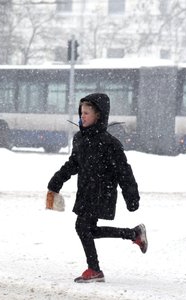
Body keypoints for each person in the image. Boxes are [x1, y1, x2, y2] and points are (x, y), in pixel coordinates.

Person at [47, 93, 147, 283]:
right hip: (86, 191)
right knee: (88, 229)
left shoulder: (109, 143)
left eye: (86, 113)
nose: (82, 116)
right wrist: (56, 181)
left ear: (98, 116)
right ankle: (133, 234)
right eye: (81, 112)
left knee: (82, 226)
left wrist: (131, 197)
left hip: (102, 192)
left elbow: (124, 172)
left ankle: (94, 269)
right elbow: (73, 163)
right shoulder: (80, 139)